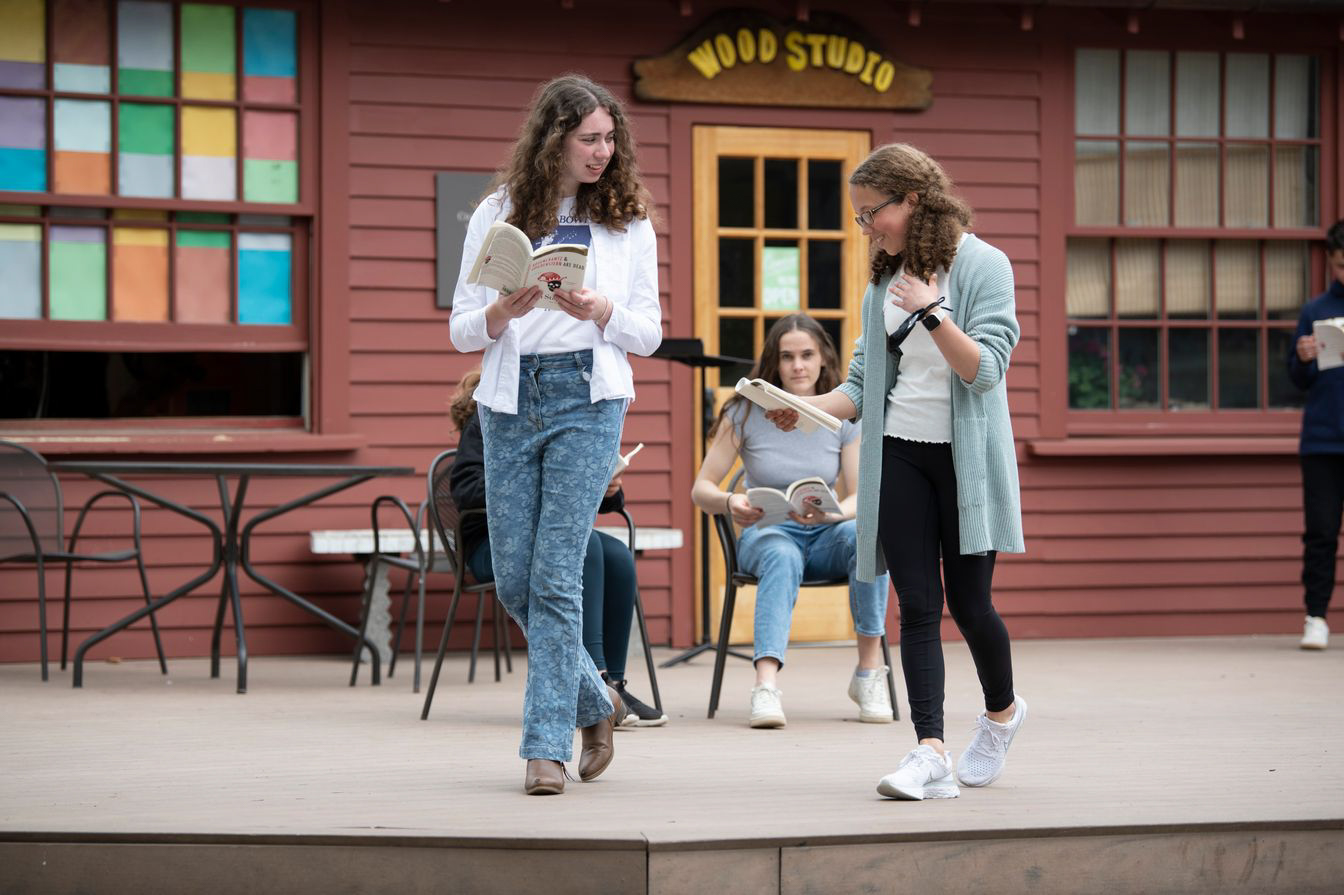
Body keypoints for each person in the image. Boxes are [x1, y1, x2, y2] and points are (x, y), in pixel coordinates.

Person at [764, 144, 1026, 801]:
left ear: (911, 198)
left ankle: (1001, 713)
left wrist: (933, 312)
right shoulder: (884, 279)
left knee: (970, 604)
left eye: (869, 213)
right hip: (900, 452)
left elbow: (986, 370)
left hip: (964, 459)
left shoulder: (984, 265)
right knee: (916, 602)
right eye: (860, 218)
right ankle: (930, 749)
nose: (866, 227)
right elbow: (858, 385)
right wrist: (799, 407)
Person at [448, 74, 662, 795]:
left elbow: (650, 332)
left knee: (554, 575)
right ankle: (595, 699)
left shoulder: (627, 223)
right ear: (554, 140)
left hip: (589, 398)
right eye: (588, 139)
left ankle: (545, 749)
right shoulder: (497, 212)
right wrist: (501, 312)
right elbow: (460, 329)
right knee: (512, 577)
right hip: (510, 401)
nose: (602, 151)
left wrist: (602, 308)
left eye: (609, 139)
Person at [691, 314, 892, 728]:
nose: (797, 366)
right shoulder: (745, 412)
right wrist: (732, 501)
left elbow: (860, 497)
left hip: (825, 537)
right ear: (774, 363)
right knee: (782, 553)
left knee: (867, 536)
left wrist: (832, 513)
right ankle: (765, 686)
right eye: (787, 357)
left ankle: (869, 675)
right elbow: (701, 490)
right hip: (767, 536)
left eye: (806, 355)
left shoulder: (843, 415)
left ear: (823, 360)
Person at [446, 371, 668, 725]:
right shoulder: (488, 419)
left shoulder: (564, 417)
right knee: (589, 547)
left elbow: (581, 494)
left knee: (617, 556)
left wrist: (607, 487)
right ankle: (592, 681)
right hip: (494, 546)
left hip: (552, 540)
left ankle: (614, 683)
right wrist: (530, 481)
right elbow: (465, 488)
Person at [1286, 219, 1344, 651]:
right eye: (1342, 265)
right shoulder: (1315, 308)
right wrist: (1304, 357)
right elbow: (1295, 378)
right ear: (1330, 261)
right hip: (1323, 441)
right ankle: (1316, 618)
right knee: (1321, 531)